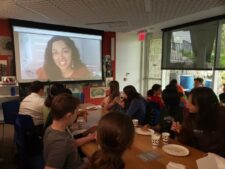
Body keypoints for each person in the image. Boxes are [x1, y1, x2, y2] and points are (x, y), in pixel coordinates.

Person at [44, 93, 94, 169]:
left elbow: (70, 143)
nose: (77, 114)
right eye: (76, 112)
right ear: (69, 116)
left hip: (77, 161)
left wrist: (90, 137)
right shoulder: (59, 143)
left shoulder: (51, 129)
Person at [171, 87, 225, 157]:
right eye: (188, 100)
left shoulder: (221, 116)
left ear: (204, 105)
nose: (187, 105)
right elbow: (186, 142)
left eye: (192, 103)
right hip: (196, 155)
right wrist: (181, 131)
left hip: (218, 159)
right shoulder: (189, 115)